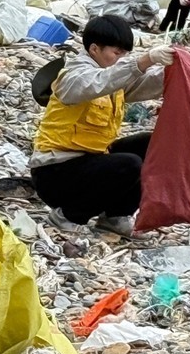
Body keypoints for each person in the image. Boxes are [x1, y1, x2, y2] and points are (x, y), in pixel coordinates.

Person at [29, 15, 174, 235]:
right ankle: (68, 215)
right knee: (129, 164)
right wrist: (143, 61)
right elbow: (97, 83)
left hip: (92, 161)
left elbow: (142, 83)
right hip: (55, 171)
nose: (121, 59)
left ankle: (116, 216)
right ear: (94, 49)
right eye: (117, 53)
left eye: (125, 54)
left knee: (155, 145)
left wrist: (177, 70)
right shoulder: (73, 74)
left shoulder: (113, 77)